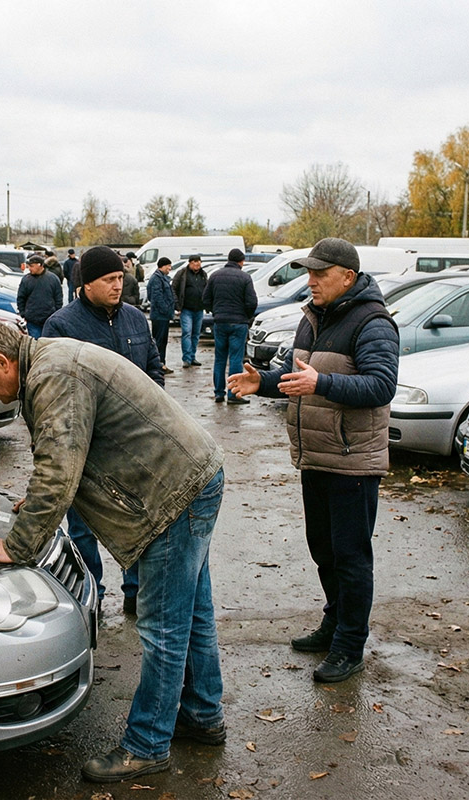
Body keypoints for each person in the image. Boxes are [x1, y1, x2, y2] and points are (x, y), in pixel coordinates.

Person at [0, 319, 226, 783]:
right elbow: (67, 459)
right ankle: (202, 715)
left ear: (2, 362)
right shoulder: (51, 360)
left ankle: (148, 745)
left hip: (171, 493)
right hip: (190, 478)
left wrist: (16, 545)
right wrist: (38, 501)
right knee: (191, 614)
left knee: (162, 625)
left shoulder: (53, 374)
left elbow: (59, 469)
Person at [227, 237, 398, 684]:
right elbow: (295, 376)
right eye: (309, 273)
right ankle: (333, 623)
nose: (311, 281)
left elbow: (381, 387)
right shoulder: (312, 317)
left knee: (351, 556)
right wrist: (261, 382)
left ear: (348, 277)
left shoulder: (373, 321)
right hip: (316, 456)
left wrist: (321, 383)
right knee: (324, 550)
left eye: (320, 274)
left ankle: (350, 644)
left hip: (352, 460)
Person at [43, 246, 163, 615]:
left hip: (134, 445)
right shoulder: (61, 326)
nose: (118, 285)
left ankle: (134, 593)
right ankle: (90, 597)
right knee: (83, 531)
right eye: (109, 280)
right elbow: (53, 391)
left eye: (120, 278)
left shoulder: (134, 319)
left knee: (137, 524)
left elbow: (154, 369)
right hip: (88, 449)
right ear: (86, 284)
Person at [202, 248, 257, 405]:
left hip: (220, 322)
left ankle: (219, 393)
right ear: (241, 261)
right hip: (238, 323)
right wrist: (246, 316)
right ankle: (233, 395)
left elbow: (205, 298)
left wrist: (215, 311)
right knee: (235, 358)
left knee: (219, 359)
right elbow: (252, 302)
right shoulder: (245, 277)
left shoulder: (215, 276)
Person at [172, 254, 207, 368]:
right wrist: (177, 305)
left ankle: (192, 357)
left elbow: (207, 289)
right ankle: (186, 358)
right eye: (194, 262)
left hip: (199, 309)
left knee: (196, 334)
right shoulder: (182, 273)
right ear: (190, 263)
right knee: (187, 332)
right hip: (186, 309)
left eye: (198, 262)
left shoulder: (203, 274)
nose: (197, 264)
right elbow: (173, 288)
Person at [16, 253, 63, 338]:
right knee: (36, 345)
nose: (29, 268)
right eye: (28, 266)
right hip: (32, 320)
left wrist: (56, 313)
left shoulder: (53, 279)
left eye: (32, 266)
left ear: (40, 265)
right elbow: (21, 298)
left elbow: (58, 298)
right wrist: (23, 314)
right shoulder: (26, 280)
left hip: (49, 319)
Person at [147, 257, 176, 373]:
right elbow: (156, 297)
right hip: (160, 316)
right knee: (159, 341)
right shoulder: (156, 279)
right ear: (162, 266)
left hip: (163, 315)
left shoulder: (161, 278)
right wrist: (165, 309)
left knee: (162, 341)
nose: (170, 268)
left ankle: (161, 364)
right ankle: (157, 366)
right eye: (168, 265)